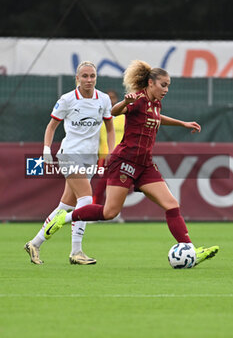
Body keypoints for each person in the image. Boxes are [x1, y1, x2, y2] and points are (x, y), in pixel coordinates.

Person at [43, 60, 219, 266]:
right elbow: (114, 112)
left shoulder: (155, 103)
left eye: (168, 85)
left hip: (145, 165)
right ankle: (63, 219)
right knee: (109, 212)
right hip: (124, 161)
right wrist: (126, 102)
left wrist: (182, 123)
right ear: (150, 83)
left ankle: (190, 250)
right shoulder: (137, 99)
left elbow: (157, 117)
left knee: (172, 205)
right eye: (164, 85)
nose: (166, 89)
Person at [24, 61, 115, 265]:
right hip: (69, 154)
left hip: (90, 157)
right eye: (84, 76)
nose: (89, 80)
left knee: (66, 205)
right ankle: (76, 251)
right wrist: (47, 150)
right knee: (86, 199)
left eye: (92, 76)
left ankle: (34, 243)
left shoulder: (104, 99)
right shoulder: (66, 100)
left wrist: (111, 151)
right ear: (77, 78)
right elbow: (51, 127)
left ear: (96, 77)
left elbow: (110, 128)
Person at [93, 90, 125, 222]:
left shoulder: (124, 117)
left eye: (113, 97)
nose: (111, 100)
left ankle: (114, 213)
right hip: (104, 157)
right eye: (109, 98)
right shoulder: (99, 116)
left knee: (120, 185)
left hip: (121, 156)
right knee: (102, 185)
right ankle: (94, 212)